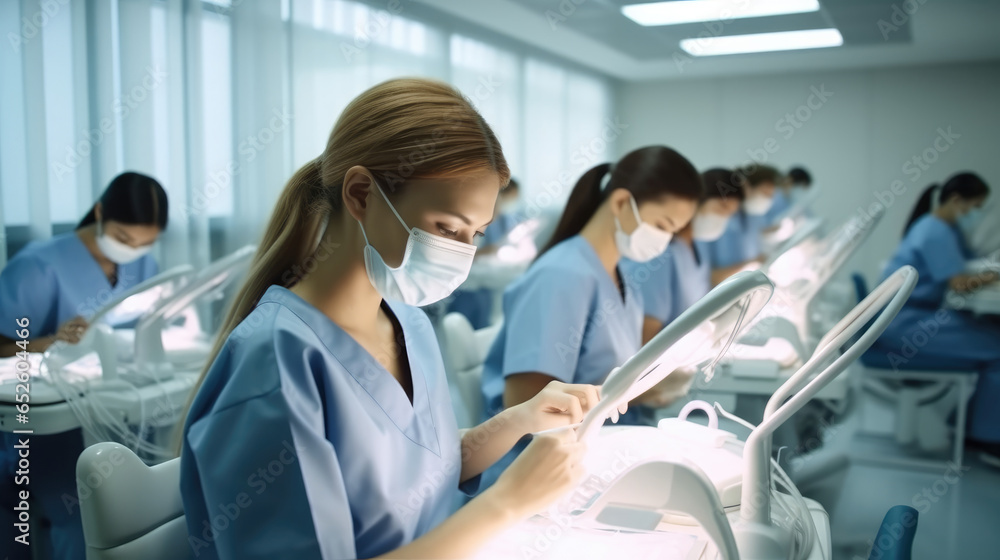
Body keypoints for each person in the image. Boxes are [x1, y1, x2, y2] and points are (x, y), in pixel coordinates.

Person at [178, 78, 598, 560]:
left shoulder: (409, 324)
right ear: (361, 194)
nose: (463, 255)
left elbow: (419, 476)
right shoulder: (276, 362)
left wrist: (518, 421)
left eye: (476, 234)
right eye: (447, 228)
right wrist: (505, 504)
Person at [477, 145, 703, 488]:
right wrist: (638, 392)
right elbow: (526, 407)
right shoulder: (561, 277)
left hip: (596, 452)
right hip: (536, 474)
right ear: (622, 203)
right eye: (662, 225)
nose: (666, 240)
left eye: (675, 231)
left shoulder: (622, 278)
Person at [0, 172, 168, 560]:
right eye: (125, 239)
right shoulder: (38, 267)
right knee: (82, 519)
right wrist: (51, 342)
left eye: (145, 244)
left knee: (143, 505)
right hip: (48, 430)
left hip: (113, 410)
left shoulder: (143, 265)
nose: (134, 252)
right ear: (98, 213)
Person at [872, 172, 1000, 465]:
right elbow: (959, 282)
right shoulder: (935, 230)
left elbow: (968, 263)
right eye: (975, 206)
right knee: (998, 347)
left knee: (993, 331)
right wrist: (992, 275)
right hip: (905, 324)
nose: (976, 214)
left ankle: (969, 425)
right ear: (956, 200)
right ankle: (985, 436)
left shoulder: (941, 228)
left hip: (909, 317)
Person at [625, 168, 744, 345]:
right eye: (722, 207)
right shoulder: (661, 254)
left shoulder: (698, 246)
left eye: (730, 214)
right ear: (697, 202)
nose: (723, 219)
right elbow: (646, 339)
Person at [446, 178, 524, 328]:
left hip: (484, 286)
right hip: (466, 286)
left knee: (480, 328)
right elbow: (460, 254)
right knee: (459, 331)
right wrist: (485, 252)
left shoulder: (505, 221)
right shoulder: (469, 224)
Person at [704, 164, 779, 285]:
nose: (768, 199)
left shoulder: (752, 217)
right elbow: (711, 277)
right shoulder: (721, 222)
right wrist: (751, 263)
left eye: (770, 195)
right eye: (765, 193)